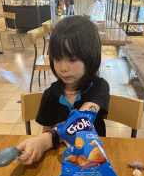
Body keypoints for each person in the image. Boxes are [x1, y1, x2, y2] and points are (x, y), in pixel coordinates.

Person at [17, 16, 110, 165]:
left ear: (91, 57)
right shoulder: (49, 95)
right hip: (59, 162)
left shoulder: (99, 87)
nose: (63, 68)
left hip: (93, 160)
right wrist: (42, 141)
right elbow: (45, 131)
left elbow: (83, 117)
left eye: (72, 60)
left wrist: (48, 138)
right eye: (57, 59)